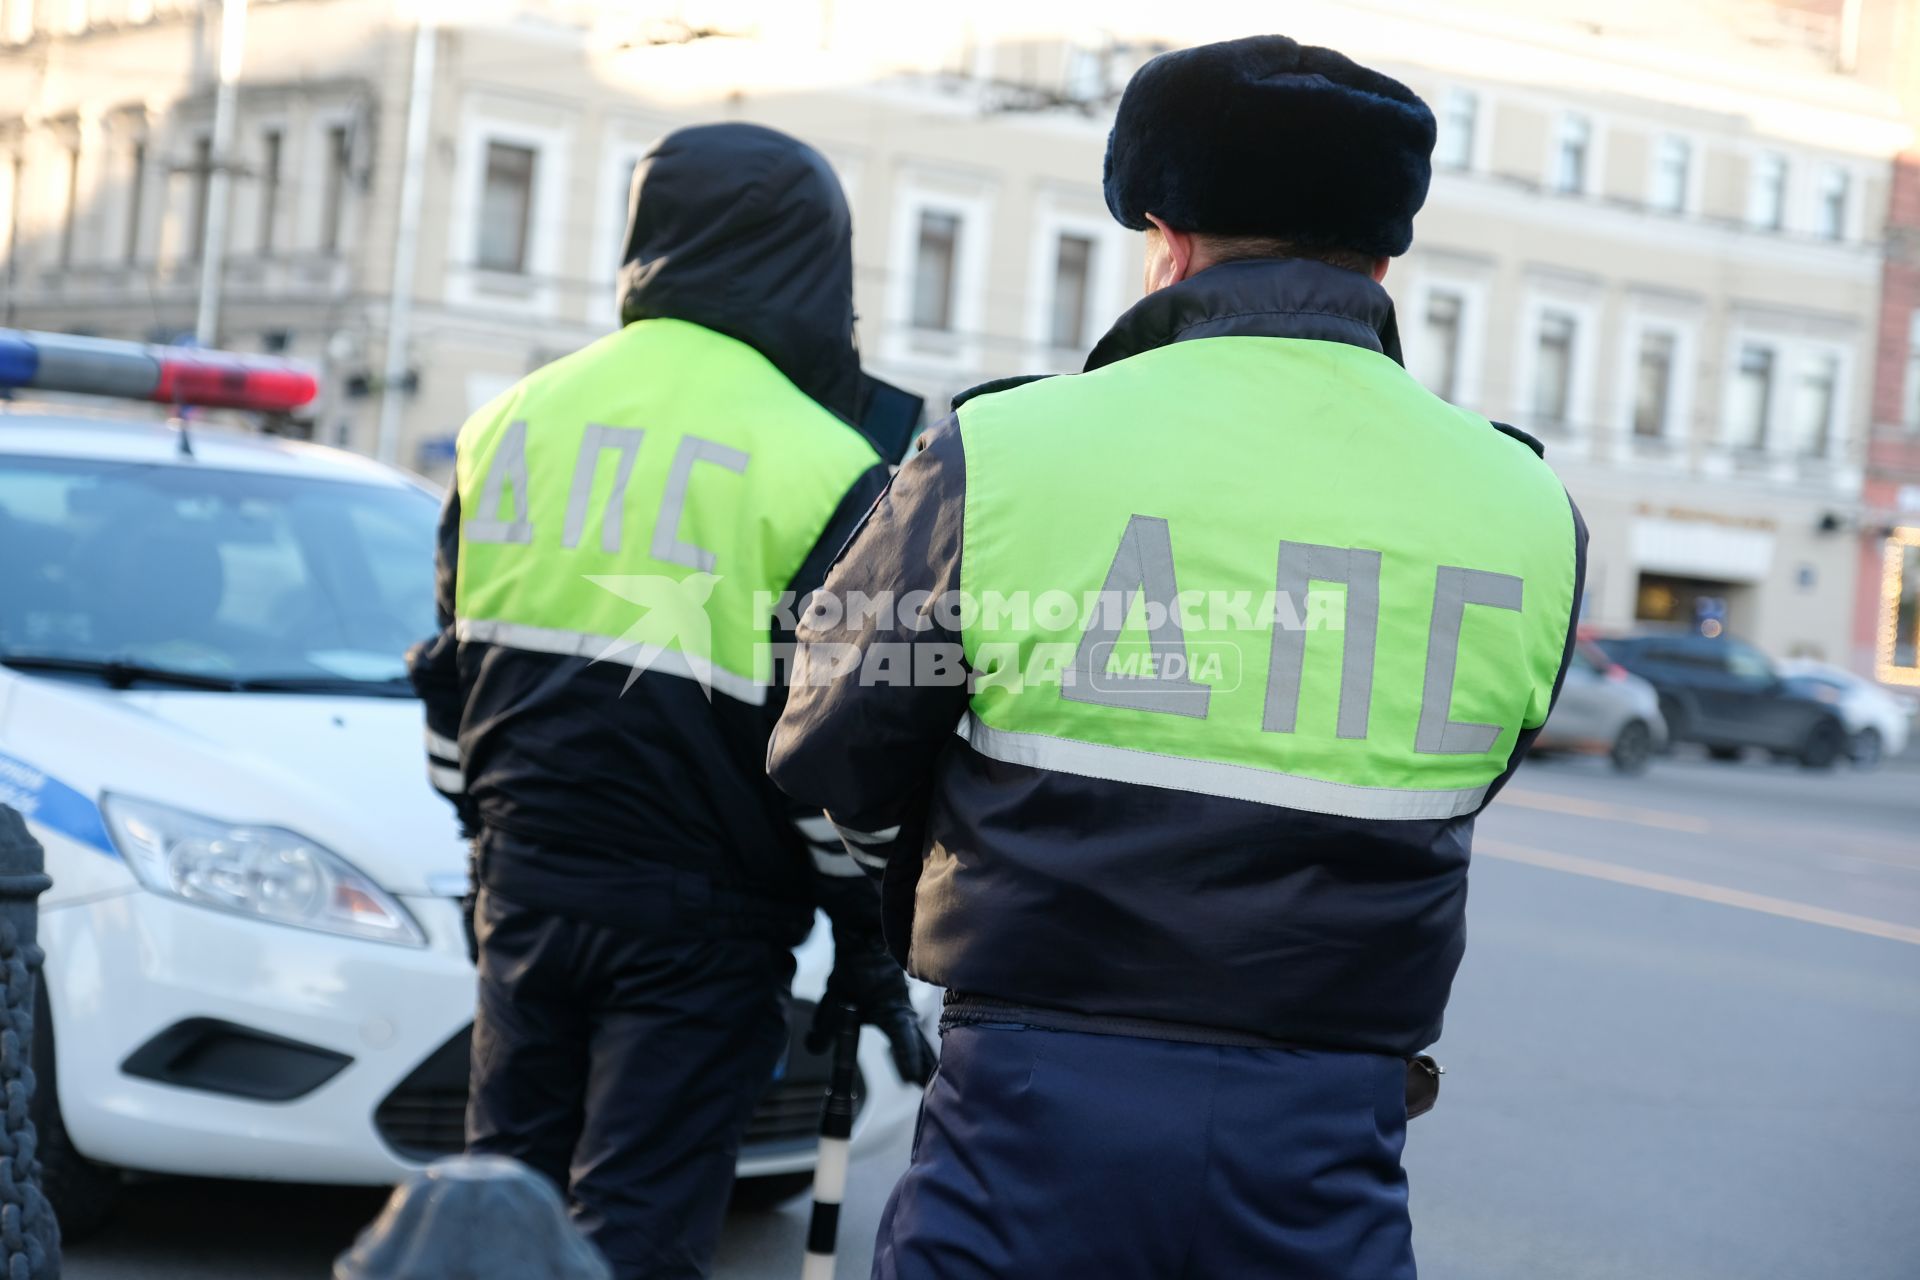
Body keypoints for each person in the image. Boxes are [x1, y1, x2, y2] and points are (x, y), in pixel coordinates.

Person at [769, 34, 1587, 1279]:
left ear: (1165, 236)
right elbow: (1469, 774)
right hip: (1327, 1139)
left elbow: (831, 746)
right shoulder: (1528, 506)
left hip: (1029, 1111)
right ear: (1383, 256)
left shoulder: (1004, 450)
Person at [407, 122, 935, 1280]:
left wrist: (480, 857)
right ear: (819, 263)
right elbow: (830, 748)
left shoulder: (510, 419)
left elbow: (451, 679)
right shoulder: (825, 461)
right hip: (703, 925)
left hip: (526, 884)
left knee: (500, 1206)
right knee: (639, 1226)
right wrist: (865, 940)